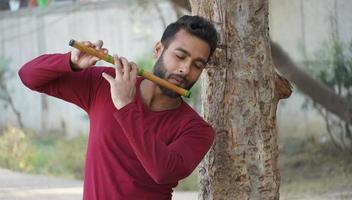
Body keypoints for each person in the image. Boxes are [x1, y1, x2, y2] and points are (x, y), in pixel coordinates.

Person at [19, 15, 218, 200]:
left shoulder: (198, 130)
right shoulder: (106, 83)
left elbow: (163, 171)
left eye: (197, 65)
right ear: (158, 50)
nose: (186, 69)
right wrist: (71, 62)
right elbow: (29, 76)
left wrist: (125, 106)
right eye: (180, 56)